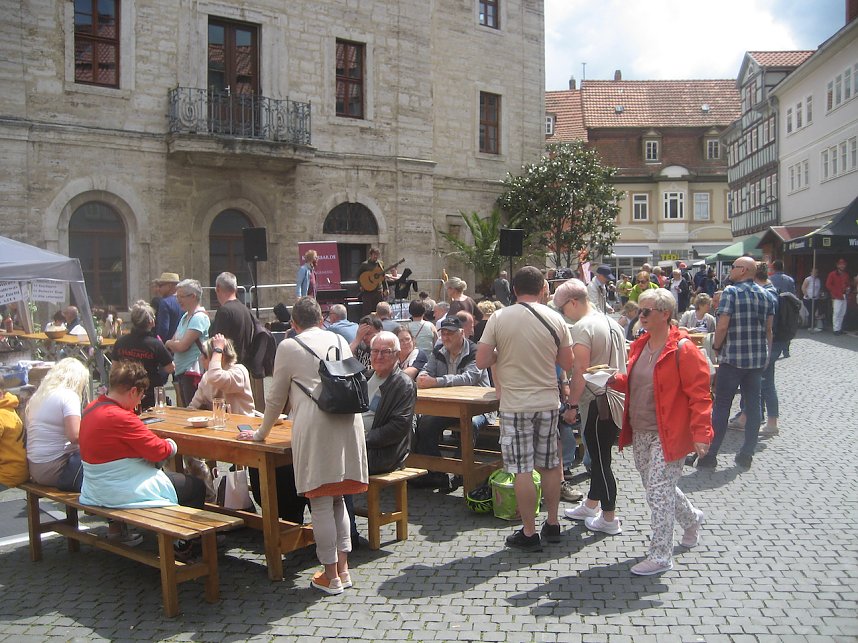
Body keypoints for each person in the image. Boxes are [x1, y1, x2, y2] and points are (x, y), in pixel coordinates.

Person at [238, 297, 368, 596]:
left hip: (316, 425)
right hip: (348, 423)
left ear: (293, 323)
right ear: (321, 318)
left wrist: (260, 433)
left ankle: (331, 575)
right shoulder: (338, 337)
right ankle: (344, 570)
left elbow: (275, 397)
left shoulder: (289, 346)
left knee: (321, 501)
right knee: (337, 499)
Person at [608, 288, 712, 575]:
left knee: (657, 492)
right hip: (641, 430)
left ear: (665, 314)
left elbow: (700, 394)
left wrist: (702, 432)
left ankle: (661, 554)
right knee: (659, 488)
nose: (639, 317)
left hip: (669, 433)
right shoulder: (641, 344)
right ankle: (692, 519)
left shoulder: (683, 348)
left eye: (645, 311)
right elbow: (634, 380)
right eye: (639, 311)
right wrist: (609, 379)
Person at [476, 266, 574, 551]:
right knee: (551, 465)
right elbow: (567, 364)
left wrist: (502, 353)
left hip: (515, 404)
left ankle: (529, 532)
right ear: (543, 288)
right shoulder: (556, 318)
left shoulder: (499, 317)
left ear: (514, 290)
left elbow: (482, 360)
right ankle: (553, 523)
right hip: (546, 402)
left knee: (521, 469)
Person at [78, 360, 206, 552]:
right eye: (140, 396)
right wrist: (172, 444)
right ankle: (185, 545)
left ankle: (126, 530)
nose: (139, 402)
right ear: (133, 392)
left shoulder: (91, 408)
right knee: (195, 486)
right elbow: (158, 451)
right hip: (117, 490)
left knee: (178, 482)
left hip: (95, 487)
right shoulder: (122, 417)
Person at [552, 279, 628, 536]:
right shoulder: (612, 322)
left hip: (598, 401)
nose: (562, 315)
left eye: (562, 309)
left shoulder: (583, 327)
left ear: (573, 302)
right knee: (599, 455)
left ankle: (609, 517)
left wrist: (571, 404)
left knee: (600, 460)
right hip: (614, 398)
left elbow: (580, 371)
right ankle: (591, 504)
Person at [698, 256, 774, 470]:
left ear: (744, 270)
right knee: (754, 405)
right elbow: (769, 329)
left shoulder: (731, 292)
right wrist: (766, 355)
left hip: (732, 358)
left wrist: (716, 347)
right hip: (756, 360)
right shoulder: (766, 295)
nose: (730, 270)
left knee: (722, 405)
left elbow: (722, 326)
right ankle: (746, 453)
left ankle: (710, 455)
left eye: (733, 267)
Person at [414, 316, 491, 491]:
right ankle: (437, 473)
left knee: (469, 424)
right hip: (449, 407)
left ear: (462, 333)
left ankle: (460, 472)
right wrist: (422, 377)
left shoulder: (475, 351)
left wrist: (436, 381)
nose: (446, 337)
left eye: (450, 333)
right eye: (443, 333)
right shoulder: (438, 350)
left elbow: (470, 377)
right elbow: (426, 370)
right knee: (425, 423)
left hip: (479, 407)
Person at [25, 358, 90, 491]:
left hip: (35, 468)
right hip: (57, 469)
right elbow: (75, 437)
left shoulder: (38, 396)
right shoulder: (69, 396)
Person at [363, 331, 417, 474]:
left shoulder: (403, 384)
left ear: (397, 355)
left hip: (381, 453)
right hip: (356, 444)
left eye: (386, 352)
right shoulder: (364, 378)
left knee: (332, 462)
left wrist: (362, 439)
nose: (379, 356)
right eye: (375, 351)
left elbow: (397, 428)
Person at [113, 300, 175, 410]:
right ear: (151, 322)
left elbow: (115, 368)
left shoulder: (121, 342)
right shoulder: (155, 344)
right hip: (151, 394)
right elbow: (170, 368)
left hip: (126, 392)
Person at [164, 279, 210, 407]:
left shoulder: (199, 317)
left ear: (193, 296)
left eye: (181, 296)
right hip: (183, 371)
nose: (178, 300)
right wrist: (174, 344)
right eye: (177, 296)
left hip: (193, 373)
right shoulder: (185, 316)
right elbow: (176, 342)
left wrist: (168, 343)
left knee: (194, 411)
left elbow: (182, 345)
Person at [188, 335, 254, 415]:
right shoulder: (207, 377)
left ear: (221, 357)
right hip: (219, 425)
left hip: (241, 425)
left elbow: (215, 376)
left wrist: (218, 349)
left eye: (205, 355)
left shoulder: (239, 372)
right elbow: (193, 406)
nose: (201, 358)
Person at [210, 272, 254, 366]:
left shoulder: (224, 311)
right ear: (236, 289)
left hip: (228, 367)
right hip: (243, 367)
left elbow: (217, 342)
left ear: (218, 288)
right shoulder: (246, 310)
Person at [153, 272, 182, 343]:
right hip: (182, 344)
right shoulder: (185, 300)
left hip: (168, 346)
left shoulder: (165, 303)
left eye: (161, 286)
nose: (159, 289)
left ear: (169, 286)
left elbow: (163, 329)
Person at [358, 248, 388, 316]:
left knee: (379, 311)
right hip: (368, 292)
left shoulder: (380, 264)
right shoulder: (364, 265)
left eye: (377, 255)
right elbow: (358, 276)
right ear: (371, 255)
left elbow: (383, 277)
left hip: (378, 291)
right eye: (374, 255)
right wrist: (361, 285)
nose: (376, 256)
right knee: (367, 312)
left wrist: (386, 288)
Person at [826, 258, 850, 335]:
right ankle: (836, 329)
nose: (842, 266)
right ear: (837, 265)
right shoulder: (832, 274)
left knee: (842, 313)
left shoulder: (846, 274)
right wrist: (834, 292)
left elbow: (847, 284)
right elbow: (828, 285)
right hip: (836, 296)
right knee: (836, 313)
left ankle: (839, 328)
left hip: (844, 295)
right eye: (840, 264)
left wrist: (848, 288)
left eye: (843, 264)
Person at [801, 268, 823, 332]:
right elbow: (803, 287)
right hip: (808, 298)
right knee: (811, 311)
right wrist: (806, 295)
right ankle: (810, 325)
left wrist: (820, 295)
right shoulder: (808, 279)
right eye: (814, 272)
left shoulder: (818, 280)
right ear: (811, 272)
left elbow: (819, 289)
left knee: (813, 312)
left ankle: (812, 325)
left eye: (816, 272)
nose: (815, 273)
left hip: (816, 298)